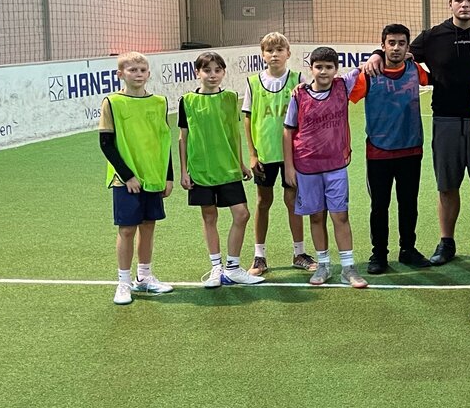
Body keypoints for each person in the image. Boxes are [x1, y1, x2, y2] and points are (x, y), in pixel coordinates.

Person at [363, 0, 470, 266]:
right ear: (450, 4)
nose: (464, 4)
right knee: (447, 186)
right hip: (445, 120)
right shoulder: (433, 36)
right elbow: (397, 47)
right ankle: (446, 242)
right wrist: (376, 53)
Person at [350, 24, 432, 275]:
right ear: (382, 45)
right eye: (391, 43)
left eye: (401, 43)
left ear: (408, 47)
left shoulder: (415, 70)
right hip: (379, 151)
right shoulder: (368, 73)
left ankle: (408, 249)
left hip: (410, 149)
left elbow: (437, 78)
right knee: (379, 206)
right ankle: (379, 254)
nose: (396, 48)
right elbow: (344, 95)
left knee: (408, 203)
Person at [178, 52, 264, 288]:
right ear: (198, 73)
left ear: (224, 72)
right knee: (209, 216)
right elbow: (183, 138)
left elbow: (233, 134)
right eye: (207, 70)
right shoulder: (187, 101)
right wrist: (184, 171)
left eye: (218, 70)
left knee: (242, 213)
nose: (213, 75)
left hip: (228, 169)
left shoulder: (229, 98)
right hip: (201, 170)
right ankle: (216, 268)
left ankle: (233, 268)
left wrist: (241, 163)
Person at [283, 46, 366, 288]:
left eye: (328, 67)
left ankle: (348, 267)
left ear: (336, 69)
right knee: (316, 216)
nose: (323, 71)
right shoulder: (299, 95)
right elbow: (288, 130)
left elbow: (367, 66)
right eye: (318, 67)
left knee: (340, 215)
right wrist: (289, 167)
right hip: (306, 165)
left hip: (335, 165)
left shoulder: (343, 86)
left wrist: (377, 55)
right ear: (311, 69)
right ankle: (323, 264)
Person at [99, 52, 174, 305]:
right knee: (127, 229)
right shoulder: (112, 102)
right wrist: (128, 175)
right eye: (132, 70)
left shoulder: (160, 102)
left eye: (142, 70)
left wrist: (168, 176)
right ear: (120, 74)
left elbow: (165, 141)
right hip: (126, 180)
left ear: (149, 74)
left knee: (148, 226)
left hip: (153, 176)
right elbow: (106, 144)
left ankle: (144, 277)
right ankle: (123, 283)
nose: (138, 74)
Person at [243, 32, 315, 276]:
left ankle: (299, 252)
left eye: (279, 50)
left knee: (292, 201)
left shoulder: (298, 80)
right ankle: (259, 256)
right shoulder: (253, 82)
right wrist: (252, 154)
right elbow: (248, 118)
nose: (274, 55)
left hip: (292, 155)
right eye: (269, 51)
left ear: (288, 53)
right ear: (262, 55)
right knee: (263, 203)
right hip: (265, 155)